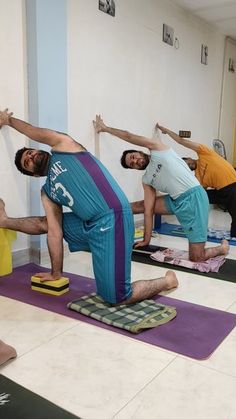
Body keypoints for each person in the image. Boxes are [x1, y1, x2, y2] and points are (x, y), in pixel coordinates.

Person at [0, 109, 178, 305]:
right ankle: (4, 221)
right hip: (90, 224)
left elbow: (33, 131)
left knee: (117, 297)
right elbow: (54, 233)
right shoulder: (47, 192)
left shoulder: (64, 146)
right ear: (33, 174)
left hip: (113, 218)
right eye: (28, 162)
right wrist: (56, 273)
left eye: (31, 152)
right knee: (49, 224)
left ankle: (166, 281)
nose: (32, 157)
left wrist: (8, 120)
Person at [93, 114, 229, 262]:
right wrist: (146, 239)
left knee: (197, 258)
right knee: (140, 205)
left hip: (193, 198)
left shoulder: (158, 149)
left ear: (139, 151)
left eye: (133, 156)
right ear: (135, 168)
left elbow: (129, 135)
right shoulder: (146, 180)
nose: (135, 161)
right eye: (132, 164)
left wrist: (106, 129)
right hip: (175, 201)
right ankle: (102, 216)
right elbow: (148, 210)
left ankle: (221, 248)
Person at [156, 122, 236, 238]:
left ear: (189, 158)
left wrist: (167, 131)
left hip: (233, 187)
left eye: (186, 163)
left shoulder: (205, 153)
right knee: (195, 196)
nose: (188, 165)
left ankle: (234, 237)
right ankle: (191, 225)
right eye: (185, 167)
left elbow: (181, 141)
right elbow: (197, 195)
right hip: (222, 193)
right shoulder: (198, 179)